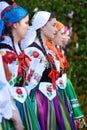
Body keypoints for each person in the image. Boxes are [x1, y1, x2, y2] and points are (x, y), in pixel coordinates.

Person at [23, 11, 76, 130]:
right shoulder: (32, 52)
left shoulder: (48, 50)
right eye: (53, 25)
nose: (56, 29)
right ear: (42, 26)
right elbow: (27, 83)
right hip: (39, 102)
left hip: (53, 99)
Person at [0, 3, 40, 130]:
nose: (28, 28)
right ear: (15, 25)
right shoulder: (4, 53)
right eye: (26, 23)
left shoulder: (17, 49)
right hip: (10, 109)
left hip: (23, 104)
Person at [52, 21, 87, 129]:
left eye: (65, 34)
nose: (65, 37)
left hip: (63, 84)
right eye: (62, 34)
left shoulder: (58, 50)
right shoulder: (51, 51)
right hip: (57, 87)